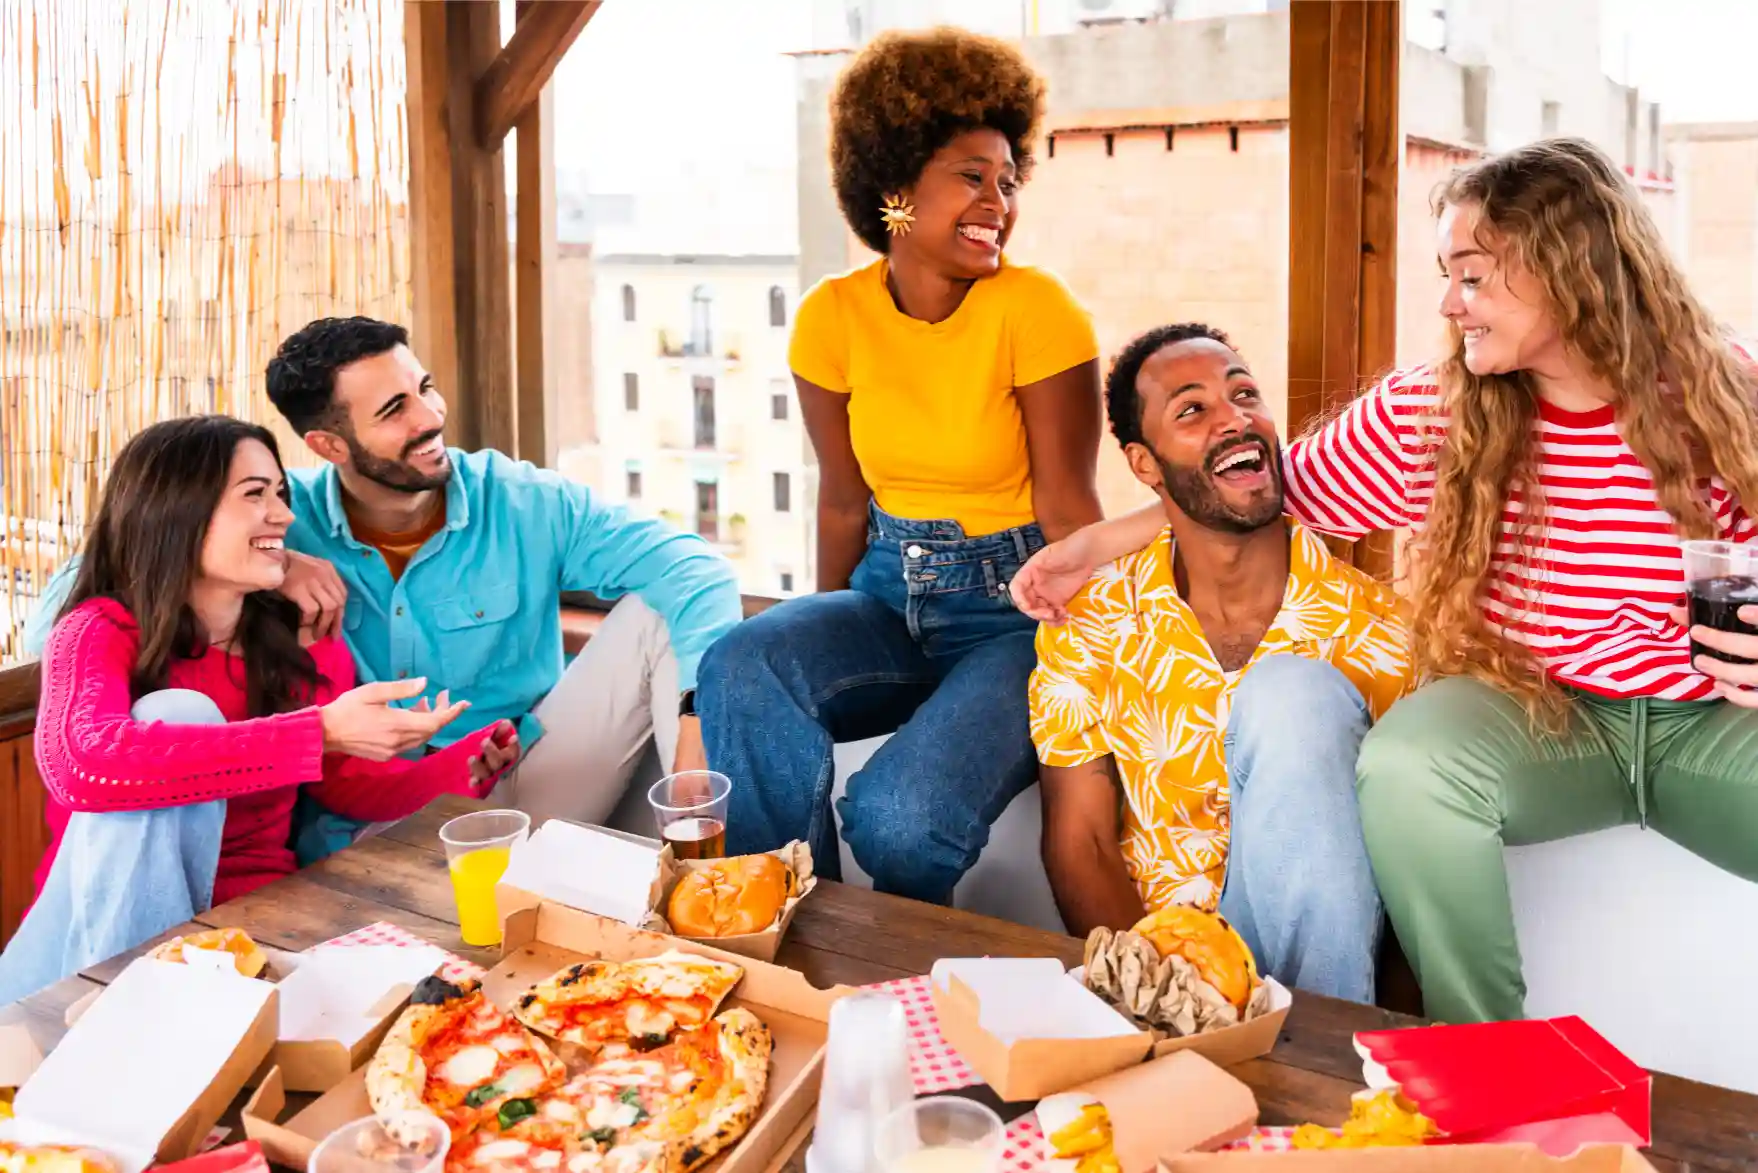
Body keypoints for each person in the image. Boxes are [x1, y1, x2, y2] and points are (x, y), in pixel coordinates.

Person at [1011, 138, 1758, 1023]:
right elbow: (1257, 483)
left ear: (1566, 269)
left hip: (1710, 726)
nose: (1449, 304)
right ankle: (1483, 1061)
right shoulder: (1433, 411)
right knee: (1411, 764)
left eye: (1472, 276)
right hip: (1542, 717)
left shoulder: (1726, 392)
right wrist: (1099, 543)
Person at [28, 316, 744, 835]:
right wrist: (278, 567)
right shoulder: (274, 522)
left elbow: (698, 570)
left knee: (658, 609)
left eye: (424, 388)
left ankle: (713, 884)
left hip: (520, 771)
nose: (432, 417)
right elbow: (85, 591)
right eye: (395, 409)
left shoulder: (527, 501)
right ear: (329, 443)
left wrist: (695, 725)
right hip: (364, 821)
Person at [693, 27, 1103, 903]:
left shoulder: (1036, 310)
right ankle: (779, 922)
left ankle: (898, 977)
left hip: (1016, 615)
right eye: (970, 175)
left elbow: (1072, 509)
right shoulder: (830, 317)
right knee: (738, 662)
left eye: (1008, 179)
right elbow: (843, 502)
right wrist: (816, 627)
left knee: (900, 818)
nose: (998, 198)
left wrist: (1115, 655)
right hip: (885, 595)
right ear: (893, 188)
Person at [0, 417, 517, 1004]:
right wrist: (319, 731)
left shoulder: (301, 637)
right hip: (94, 932)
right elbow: (83, 765)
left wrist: (456, 768)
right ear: (178, 511)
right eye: (255, 494)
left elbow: (346, 785)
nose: (284, 515)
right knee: (181, 711)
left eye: (280, 493)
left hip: (251, 919)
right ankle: (137, 1006)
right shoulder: (98, 629)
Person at [1029, 324, 1409, 1002]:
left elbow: (1410, 874)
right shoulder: (1092, 619)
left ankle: (1314, 1059)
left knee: (1295, 697)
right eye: (1193, 409)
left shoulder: (1382, 633)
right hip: (1163, 970)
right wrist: (1159, 998)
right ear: (1145, 466)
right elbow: (1079, 837)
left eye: (1245, 394)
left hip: (1324, 981)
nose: (1235, 418)